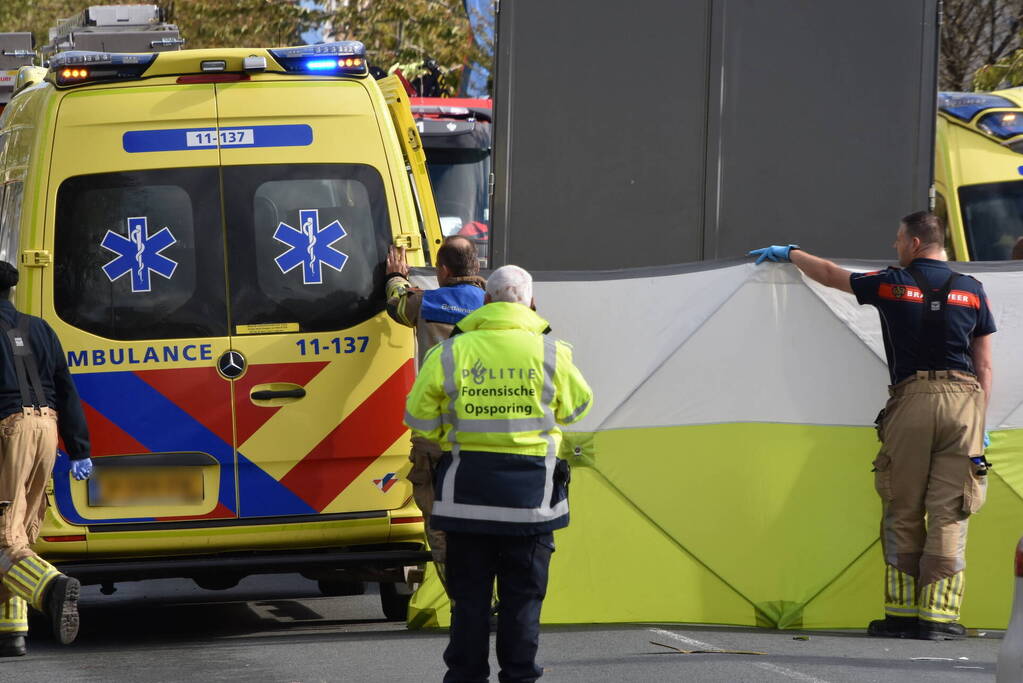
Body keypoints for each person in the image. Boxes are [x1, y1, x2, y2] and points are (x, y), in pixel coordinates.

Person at [750, 211, 995, 641]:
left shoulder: (890, 283)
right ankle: (938, 619)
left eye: (899, 240)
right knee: (952, 510)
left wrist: (790, 253)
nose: (895, 246)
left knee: (902, 507)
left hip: (910, 403)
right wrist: (981, 421)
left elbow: (829, 275)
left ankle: (900, 615)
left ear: (915, 243)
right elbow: (985, 363)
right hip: (965, 406)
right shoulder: (973, 291)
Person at [404, 265, 592, 683]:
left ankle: (466, 676)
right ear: (531, 304)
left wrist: (445, 432)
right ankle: (520, 675)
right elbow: (578, 409)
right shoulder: (551, 353)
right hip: (531, 502)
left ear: (486, 303)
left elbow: (417, 416)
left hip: (465, 497)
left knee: (469, 600)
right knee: (522, 601)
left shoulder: (450, 353)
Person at [0, 262, 92, 657]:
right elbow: (66, 388)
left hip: (8, 430)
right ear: (11, 292)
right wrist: (79, 449)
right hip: (46, 429)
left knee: (4, 535)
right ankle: (12, 631)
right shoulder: (38, 327)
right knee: (20, 529)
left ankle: (52, 589)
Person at [386, 236, 486, 580]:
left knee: (438, 513)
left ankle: (460, 596)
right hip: (484, 430)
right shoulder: (493, 304)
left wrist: (396, 278)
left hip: (435, 432)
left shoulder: (425, 303)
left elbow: (396, 303)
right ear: (476, 267)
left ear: (442, 270)